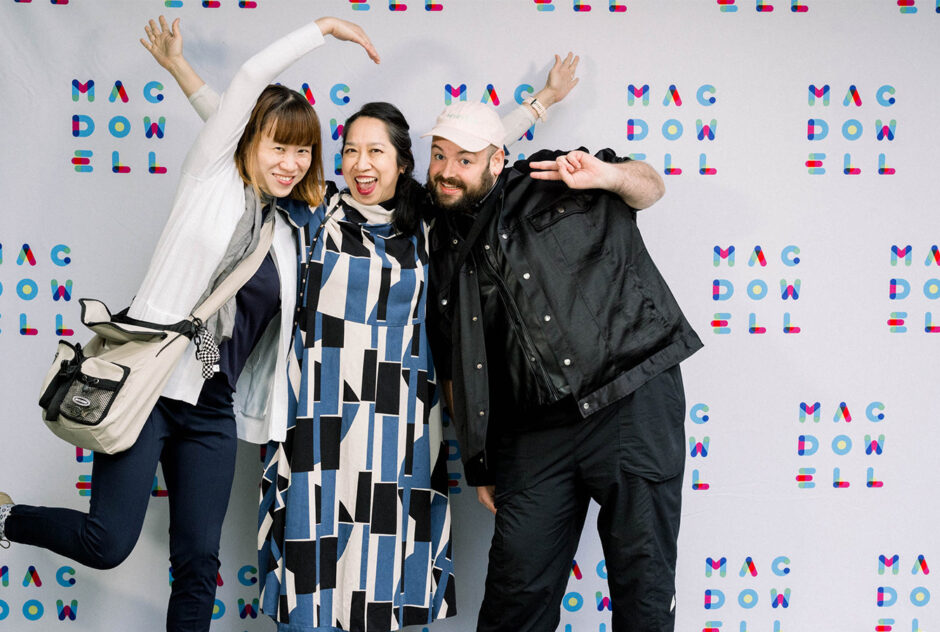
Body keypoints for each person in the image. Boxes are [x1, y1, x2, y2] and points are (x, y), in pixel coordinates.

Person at [150, 28, 580, 631]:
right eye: (350, 149)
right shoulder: (313, 208)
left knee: (385, 562)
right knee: (315, 561)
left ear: (404, 163)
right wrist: (181, 72)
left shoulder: (428, 220)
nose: (360, 162)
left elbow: (474, 151)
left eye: (376, 151)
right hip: (318, 417)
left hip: (399, 423)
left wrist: (541, 103)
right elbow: (242, 142)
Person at [0, 15, 378, 632]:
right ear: (247, 142)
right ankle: (6, 521)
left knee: (200, 562)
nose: (290, 162)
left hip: (211, 407)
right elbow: (245, 88)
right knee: (107, 542)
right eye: (277, 146)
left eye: (302, 150)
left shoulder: (289, 230)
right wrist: (323, 29)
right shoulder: (210, 180)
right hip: (148, 389)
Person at [424, 102, 703, 632]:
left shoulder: (555, 175)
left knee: (644, 589)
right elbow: (455, 368)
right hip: (533, 434)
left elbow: (650, 186)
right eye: (438, 156)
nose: (446, 170)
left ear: (496, 158)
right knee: (515, 600)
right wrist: (479, 460)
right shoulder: (439, 245)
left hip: (629, 400)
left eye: (464, 158)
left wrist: (609, 176)